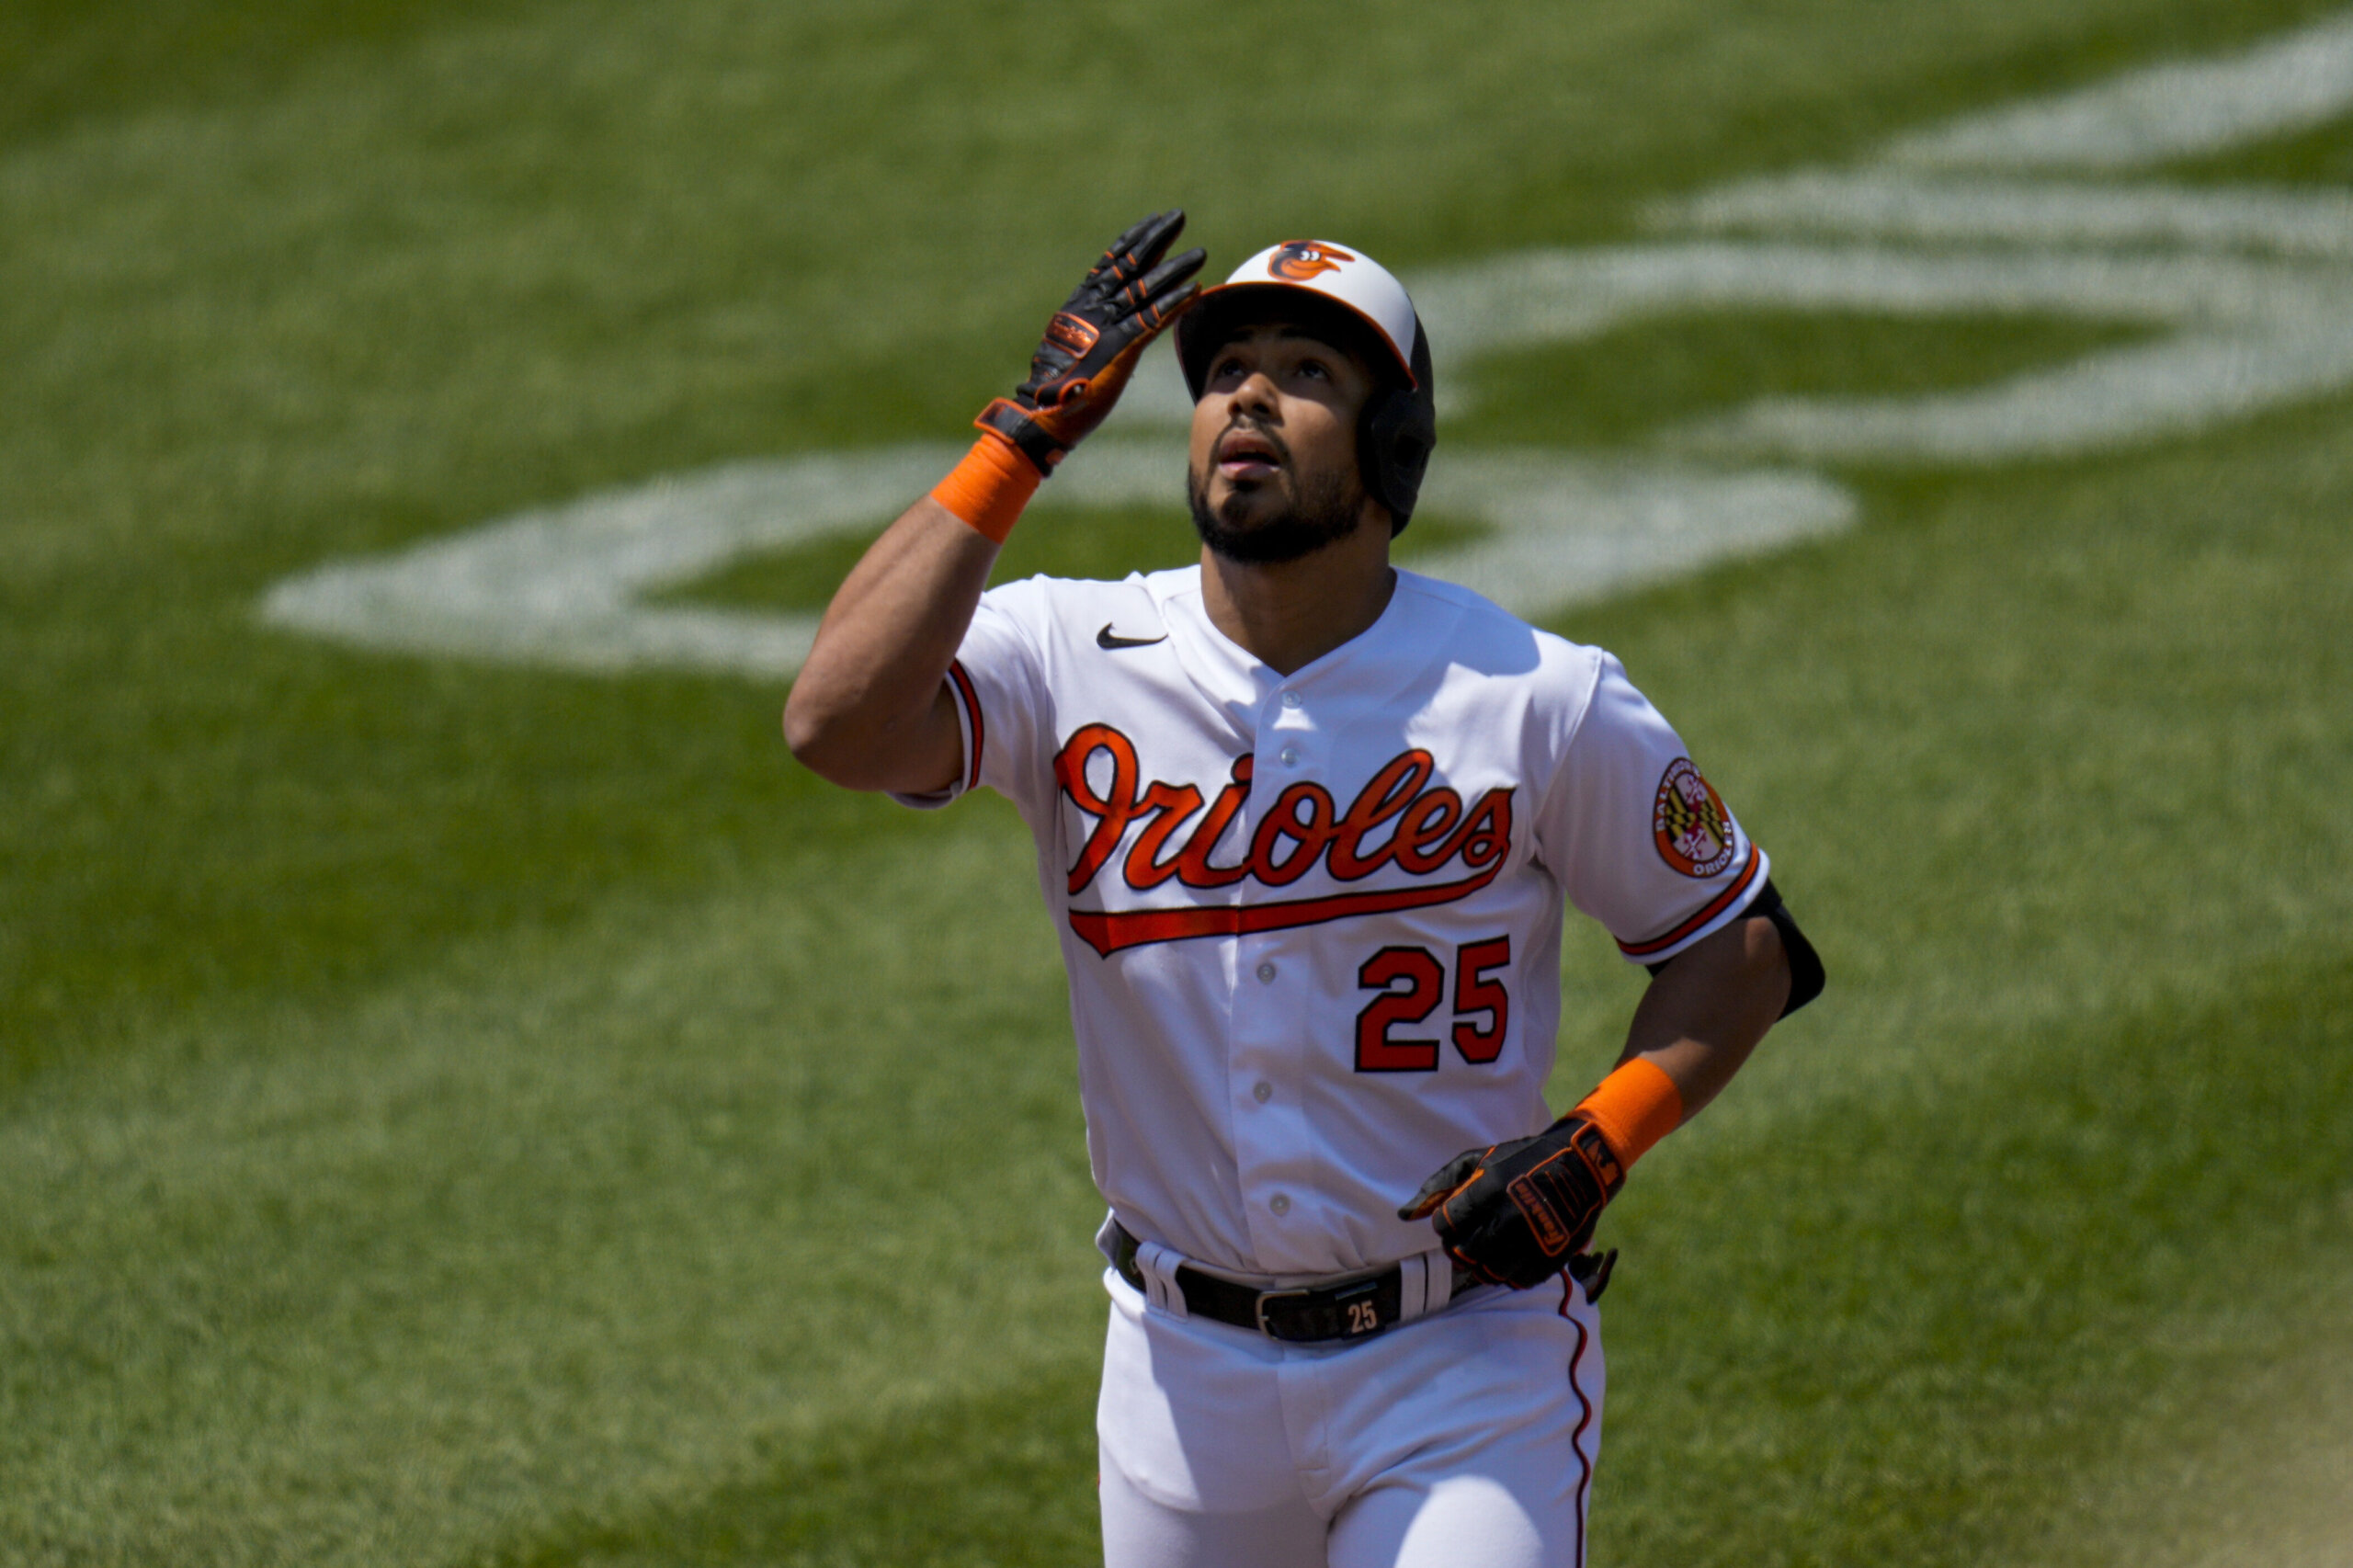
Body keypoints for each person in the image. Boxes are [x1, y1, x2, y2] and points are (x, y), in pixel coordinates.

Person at [783, 210, 1824, 1568]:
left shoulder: (1534, 696)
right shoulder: (1070, 654)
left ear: (1395, 448)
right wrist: (1018, 439)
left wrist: (1600, 1137)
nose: (1250, 398)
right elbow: (835, 725)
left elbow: (1739, 945)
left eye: (1309, 374)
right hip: (1177, 1379)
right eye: (1225, 372)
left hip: (1460, 1363)